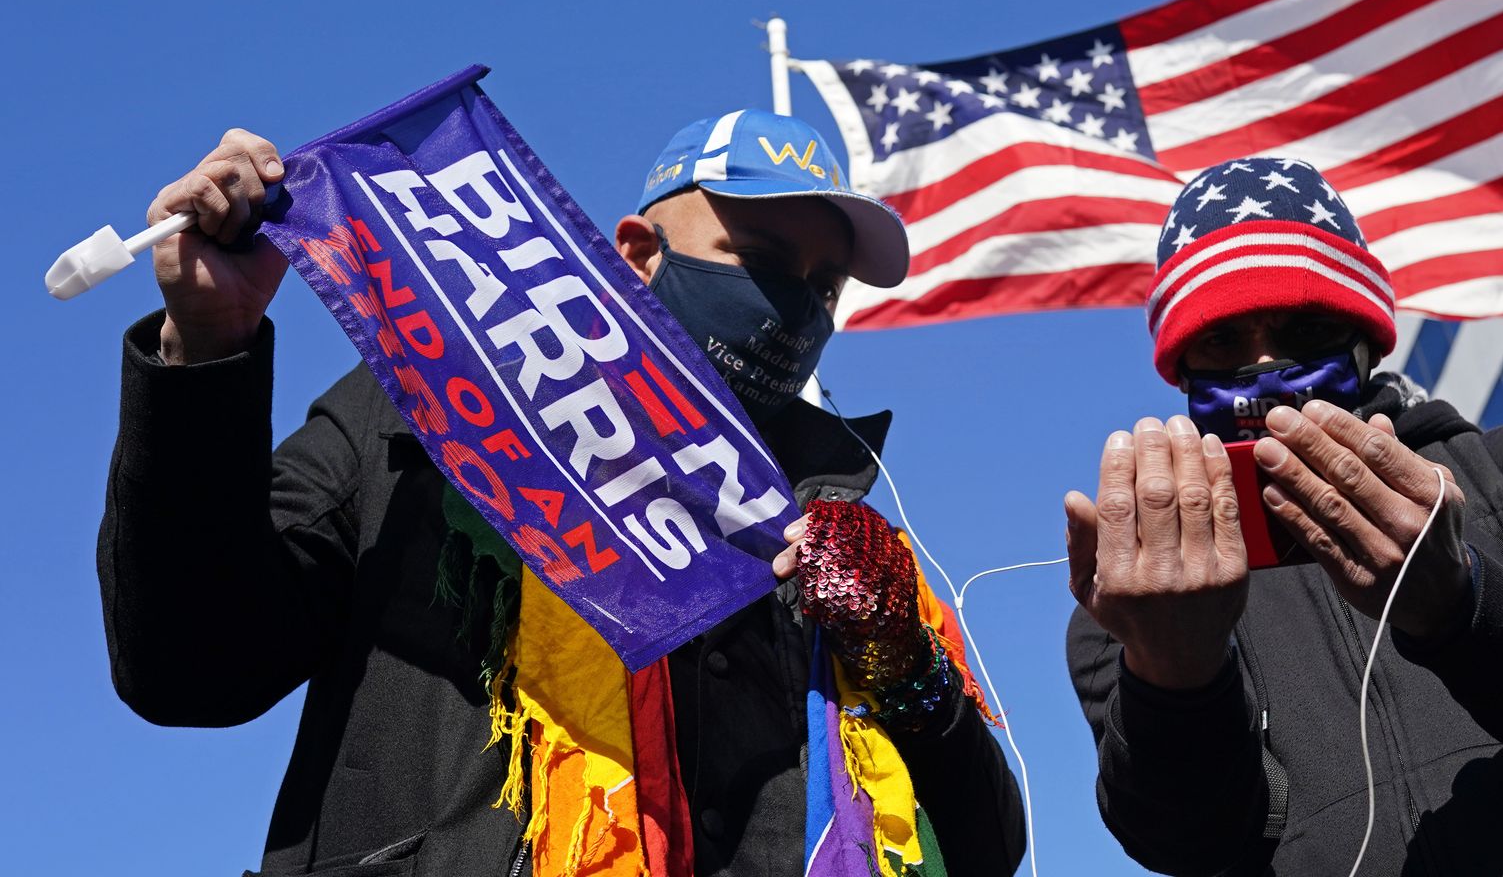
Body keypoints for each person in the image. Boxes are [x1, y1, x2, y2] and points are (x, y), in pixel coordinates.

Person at [98, 110, 1024, 877]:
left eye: (825, 287)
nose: (798, 306)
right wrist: (207, 348)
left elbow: (986, 848)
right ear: (636, 252)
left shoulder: (837, 536)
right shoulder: (418, 412)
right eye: (766, 258)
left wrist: (909, 664)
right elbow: (189, 667)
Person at [1063, 156, 1503, 875]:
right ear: (1183, 365)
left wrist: (1466, 603)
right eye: (1223, 340)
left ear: (1365, 336)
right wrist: (1175, 669)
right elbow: (1189, 843)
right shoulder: (1134, 591)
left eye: (1303, 327)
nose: (1264, 370)